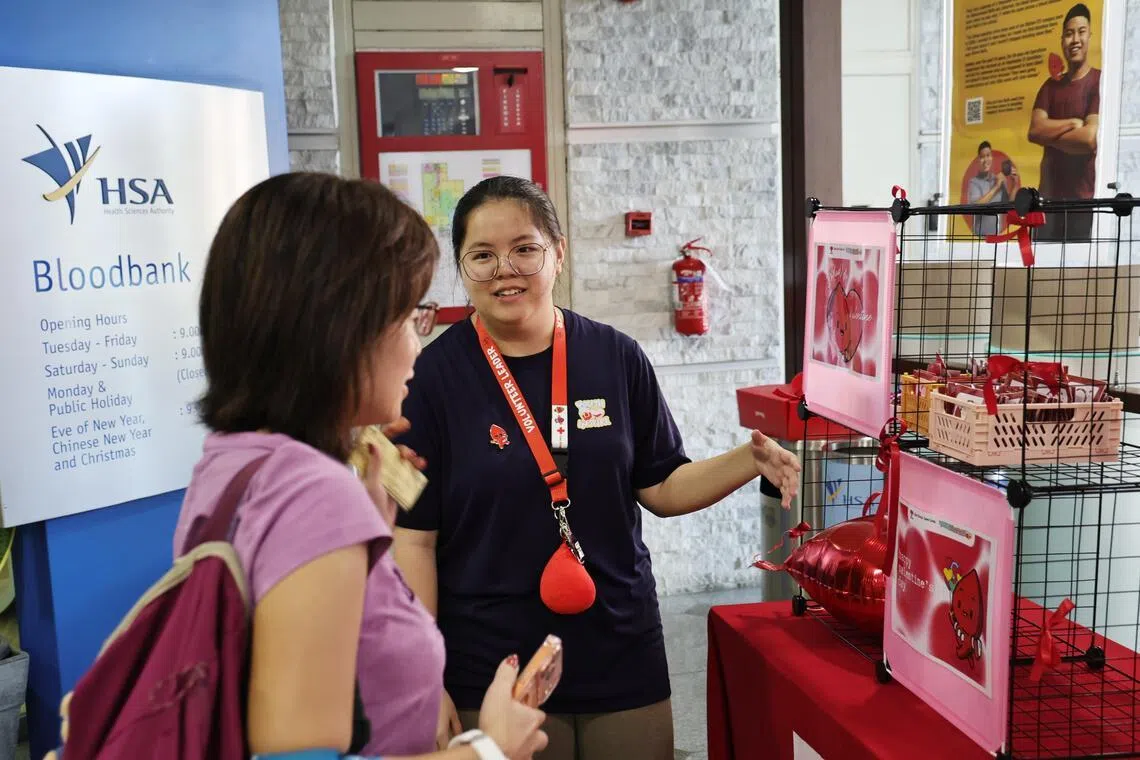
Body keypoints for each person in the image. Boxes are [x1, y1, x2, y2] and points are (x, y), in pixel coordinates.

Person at [391, 176, 801, 760]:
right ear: (462, 268)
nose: (505, 269)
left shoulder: (615, 357)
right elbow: (413, 542)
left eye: (524, 249)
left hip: (619, 640)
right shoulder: (432, 379)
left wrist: (748, 458)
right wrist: (424, 674)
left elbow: (659, 485)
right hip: (493, 660)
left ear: (558, 253)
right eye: (482, 256)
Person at [165, 172, 547, 760]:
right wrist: (489, 749)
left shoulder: (235, 458)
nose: (418, 344)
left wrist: (363, 509)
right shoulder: (311, 495)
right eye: (407, 317)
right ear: (340, 329)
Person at [1027, 2, 1100, 240]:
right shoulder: (1050, 87)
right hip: (1046, 203)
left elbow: (1089, 140)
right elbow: (1035, 131)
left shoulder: (1099, 81)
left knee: (1078, 272)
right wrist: (1072, 124)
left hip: (1084, 203)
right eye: (1069, 34)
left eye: (1081, 32)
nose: (1075, 39)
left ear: (1090, 35)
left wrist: (1051, 136)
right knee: (1040, 270)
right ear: (1062, 41)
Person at [967, 141, 1018, 236]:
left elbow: (1009, 206)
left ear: (992, 158)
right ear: (978, 160)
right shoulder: (974, 182)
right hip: (979, 238)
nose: (986, 160)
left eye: (988, 155)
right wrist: (996, 187)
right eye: (982, 157)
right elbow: (975, 206)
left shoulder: (999, 179)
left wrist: (1015, 184)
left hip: (997, 237)